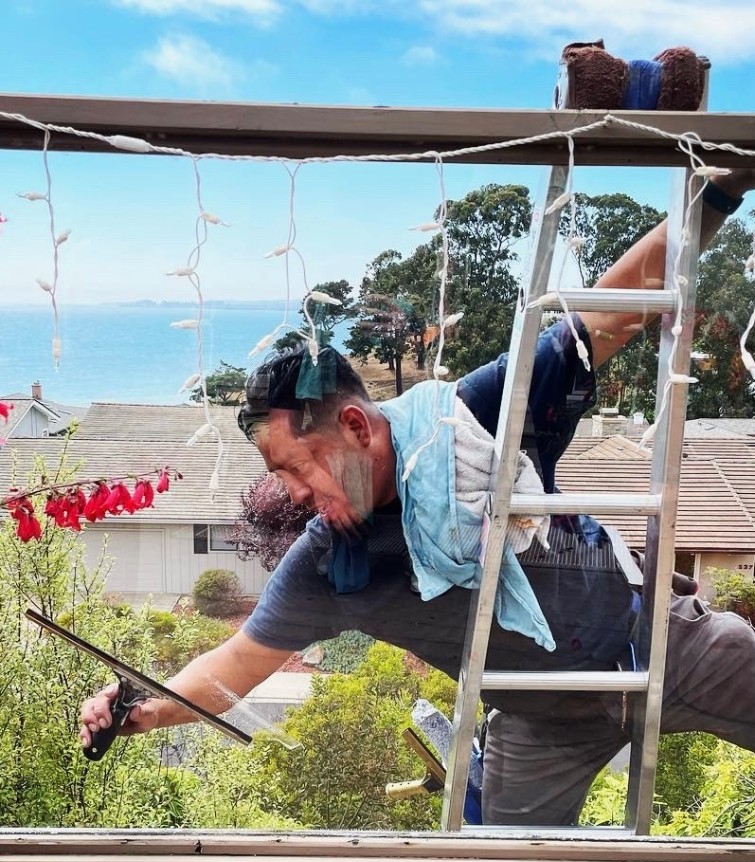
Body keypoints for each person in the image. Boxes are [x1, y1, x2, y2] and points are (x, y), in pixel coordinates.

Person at [81, 169, 755, 826]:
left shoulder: (472, 420)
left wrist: (721, 188)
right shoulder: (331, 563)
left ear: (352, 428)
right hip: (540, 716)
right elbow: (232, 665)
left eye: (296, 466)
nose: (289, 492)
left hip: (653, 641)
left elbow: (609, 312)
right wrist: (142, 706)